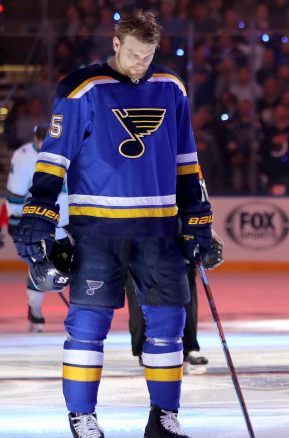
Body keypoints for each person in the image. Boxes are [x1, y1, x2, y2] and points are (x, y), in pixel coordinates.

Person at [12, 11, 211, 438]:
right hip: (97, 230)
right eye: (134, 54)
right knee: (88, 326)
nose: (141, 63)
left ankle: (164, 417)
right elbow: (55, 156)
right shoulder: (81, 88)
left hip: (159, 229)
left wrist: (197, 213)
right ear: (116, 44)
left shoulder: (171, 87)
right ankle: (82, 418)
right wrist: (40, 208)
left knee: (169, 325)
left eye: (148, 55)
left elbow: (186, 159)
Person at [128, 230, 225, 375]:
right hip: (137, 233)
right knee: (140, 290)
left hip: (176, 235)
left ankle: (186, 348)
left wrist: (204, 228)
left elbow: (193, 214)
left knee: (185, 291)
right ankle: (143, 347)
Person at [6, 124, 70, 332]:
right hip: (41, 222)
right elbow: (16, 192)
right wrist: (15, 220)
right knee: (40, 267)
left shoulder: (70, 151)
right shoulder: (24, 156)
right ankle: (35, 308)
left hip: (69, 221)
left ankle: (80, 309)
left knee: (71, 266)